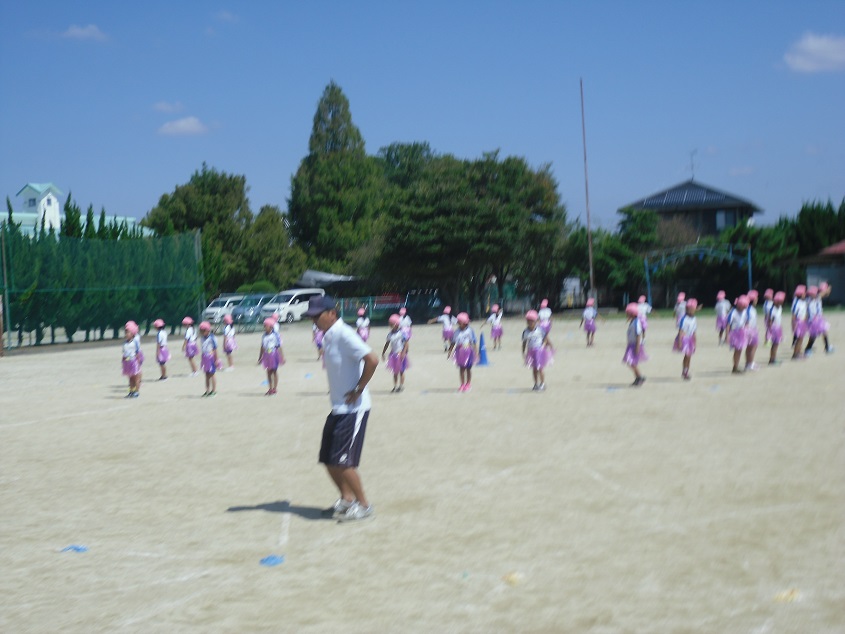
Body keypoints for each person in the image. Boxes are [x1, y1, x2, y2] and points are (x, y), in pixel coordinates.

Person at [305, 296, 379, 522]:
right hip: (337, 408)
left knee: (344, 462)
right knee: (328, 458)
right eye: (311, 317)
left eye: (317, 316)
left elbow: (372, 359)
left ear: (332, 314)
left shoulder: (344, 333)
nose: (314, 320)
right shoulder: (328, 335)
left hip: (353, 410)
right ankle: (347, 500)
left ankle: (364, 506)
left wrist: (359, 388)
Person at [522, 309, 554, 391]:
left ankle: (542, 383)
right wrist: (523, 352)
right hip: (531, 351)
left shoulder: (540, 330)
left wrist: (545, 346)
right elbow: (524, 342)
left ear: (536, 321)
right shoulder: (525, 332)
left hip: (539, 351)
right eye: (528, 321)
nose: (530, 323)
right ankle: (536, 384)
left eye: (532, 321)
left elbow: (546, 338)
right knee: (534, 369)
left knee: (540, 368)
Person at [447, 312, 477, 393]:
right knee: (461, 369)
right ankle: (462, 384)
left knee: (468, 368)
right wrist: (449, 352)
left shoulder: (470, 331)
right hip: (460, 351)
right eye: (459, 323)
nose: (459, 324)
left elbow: (473, 342)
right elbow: (453, 342)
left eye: (461, 322)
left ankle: (468, 383)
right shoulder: (456, 332)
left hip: (468, 350)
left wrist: (476, 351)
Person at [382, 314, 409, 393]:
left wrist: (404, 352)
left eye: (391, 324)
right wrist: (383, 352)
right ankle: (395, 386)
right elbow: (387, 343)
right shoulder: (390, 334)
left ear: (396, 324)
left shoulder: (401, 333)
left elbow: (406, 343)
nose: (390, 326)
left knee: (401, 371)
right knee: (395, 372)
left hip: (400, 354)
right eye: (390, 324)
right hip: (393, 355)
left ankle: (401, 386)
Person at [622, 303, 647, 386]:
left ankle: (639, 377)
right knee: (631, 362)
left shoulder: (636, 323)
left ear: (632, 314)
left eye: (628, 313)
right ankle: (637, 377)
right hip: (631, 345)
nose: (626, 315)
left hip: (635, 345)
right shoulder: (632, 322)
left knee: (631, 362)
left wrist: (637, 347)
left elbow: (638, 334)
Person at [805, 283, 834, 354]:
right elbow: (822, 294)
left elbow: (824, 294)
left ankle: (827, 347)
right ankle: (808, 348)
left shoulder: (816, 298)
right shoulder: (812, 298)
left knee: (824, 331)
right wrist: (828, 289)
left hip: (818, 318)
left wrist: (827, 290)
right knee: (813, 335)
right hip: (813, 319)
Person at [258, 317, 284, 395]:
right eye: (264, 326)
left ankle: (275, 388)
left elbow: (278, 346)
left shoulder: (275, 335)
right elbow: (262, 346)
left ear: (271, 326)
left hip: (274, 354)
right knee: (268, 372)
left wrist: (282, 356)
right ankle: (270, 388)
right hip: (267, 355)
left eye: (266, 326)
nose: (264, 327)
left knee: (274, 371)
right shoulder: (264, 336)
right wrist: (260, 357)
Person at [674, 299, 698, 380]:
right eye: (688, 309)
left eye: (692, 309)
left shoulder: (694, 319)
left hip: (690, 339)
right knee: (687, 355)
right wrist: (680, 342)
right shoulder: (684, 319)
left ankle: (686, 370)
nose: (690, 311)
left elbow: (694, 331)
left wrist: (695, 341)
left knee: (689, 356)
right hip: (684, 339)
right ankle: (684, 371)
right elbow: (680, 331)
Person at [727, 295, 749, 373]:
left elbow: (746, 321)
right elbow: (728, 324)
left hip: (742, 332)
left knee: (740, 350)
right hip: (735, 332)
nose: (744, 309)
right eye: (743, 307)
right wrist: (727, 335)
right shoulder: (733, 312)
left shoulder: (745, 312)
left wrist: (747, 330)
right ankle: (735, 367)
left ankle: (736, 365)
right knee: (737, 350)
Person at [122, 321, 142, 398]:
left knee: (136, 378)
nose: (126, 334)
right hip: (127, 362)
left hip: (134, 361)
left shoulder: (135, 342)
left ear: (133, 333)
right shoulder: (125, 343)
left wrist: (138, 362)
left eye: (128, 332)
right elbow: (124, 353)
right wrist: (123, 361)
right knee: (130, 378)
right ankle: (131, 391)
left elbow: (137, 353)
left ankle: (136, 391)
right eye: (126, 332)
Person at [199, 321, 219, 396]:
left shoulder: (212, 338)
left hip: (211, 357)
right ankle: (207, 390)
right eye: (201, 331)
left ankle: (213, 390)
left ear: (207, 330)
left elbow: (215, 349)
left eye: (203, 331)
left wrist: (216, 359)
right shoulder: (202, 338)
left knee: (212, 374)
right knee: (207, 374)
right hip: (205, 357)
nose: (201, 332)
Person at [767, 291, 786, 365]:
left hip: (778, 327)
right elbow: (770, 321)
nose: (781, 303)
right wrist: (770, 330)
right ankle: (772, 359)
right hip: (774, 328)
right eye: (779, 302)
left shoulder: (780, 308)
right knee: (774, 344)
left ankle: (773, 358)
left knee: (777, 344)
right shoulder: (772, 310)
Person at [744, 290, 760, 371]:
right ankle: (750, 363)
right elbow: (747, 321)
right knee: (752, 347)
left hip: (753, 329)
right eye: (756, 298)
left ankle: (749, 362)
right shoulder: (749, 309)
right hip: (750, 330)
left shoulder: (752, 309)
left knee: (751, 347)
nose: (757, 300)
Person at [791, 285, 809, 359]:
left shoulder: (804, 302)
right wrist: (793, 324)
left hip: (803, 322)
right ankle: (795, 354)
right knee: (799, 338)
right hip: (798, 322)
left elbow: (805, 312)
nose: (805, 295)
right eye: (804, 293)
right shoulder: (797, 303)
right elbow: (794, 315)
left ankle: (799, 352)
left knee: (801, 338)